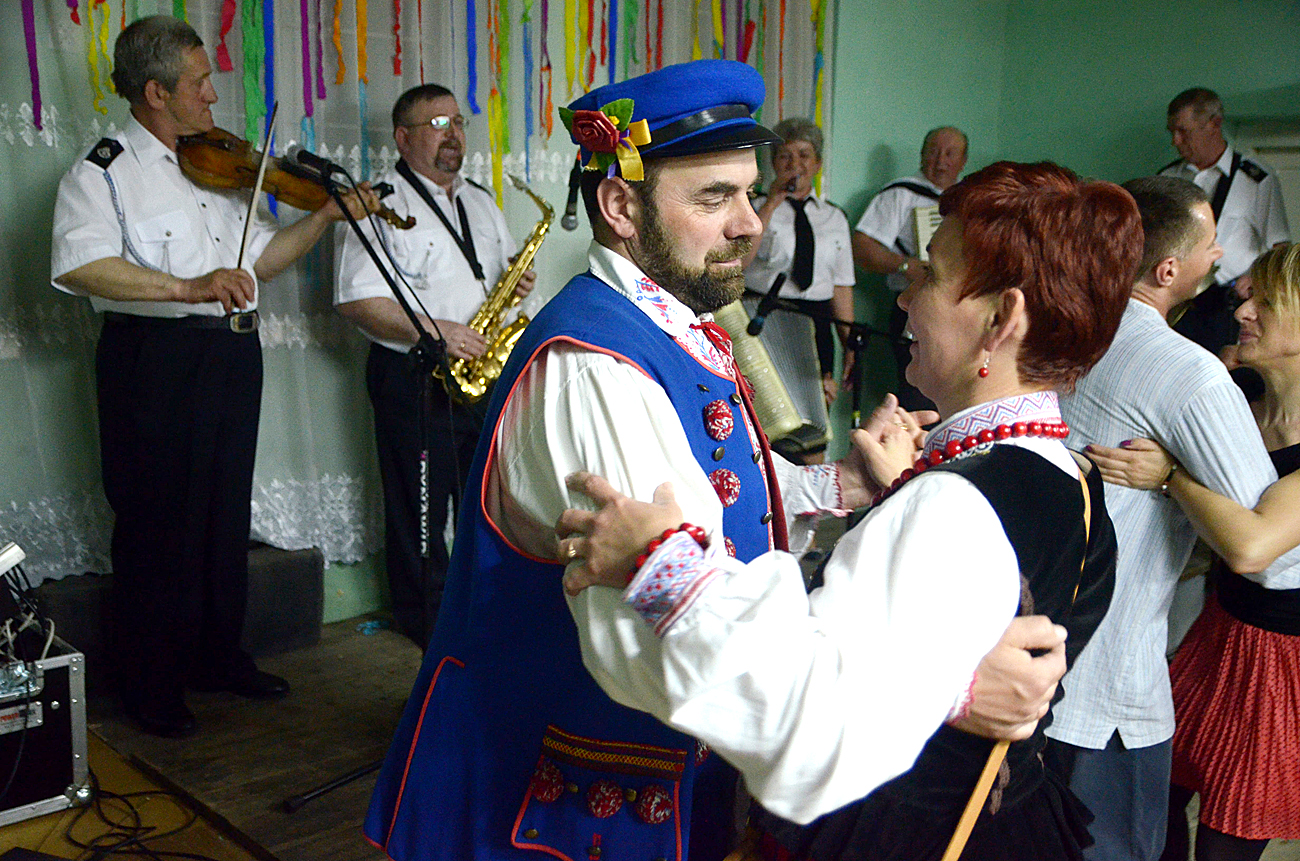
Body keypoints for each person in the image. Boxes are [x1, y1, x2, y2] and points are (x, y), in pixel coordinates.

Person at [363, 62, 1068, 861]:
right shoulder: (596, 369)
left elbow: (712, 493)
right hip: (554, 803)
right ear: (620, 207)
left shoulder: (661, 323)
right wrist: (934, 683)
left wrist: (839, 483)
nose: (750, 224)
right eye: (714, 198)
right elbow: (665, 646)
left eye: (750, 192)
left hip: (646, 786)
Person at [556, 160, 1137, 861]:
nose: (904, 297)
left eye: (928, 275)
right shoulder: (1071, 476)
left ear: (1000, 319)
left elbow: (807, 727)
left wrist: (660, 562)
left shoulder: (953, 503)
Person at [49, 16, 377, 738]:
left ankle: (217, 656)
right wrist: (186, 287)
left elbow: (258, 262)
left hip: (232, 355)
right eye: (199, 83)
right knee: (156, 524)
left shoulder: (215, 165)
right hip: (155, 361)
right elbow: (81, 264)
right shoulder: (102, 172)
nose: (212, 95)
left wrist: (324, 217)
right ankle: (151, 684)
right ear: (156, 92)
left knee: (222, 517)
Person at [1050, 177, 1300, 861]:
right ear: (1167, 269)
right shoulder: (1212, 384)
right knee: (1144, 831)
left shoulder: (1088, 333)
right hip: (1199, 642)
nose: (1240, 304)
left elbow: (1260, 552)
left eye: (1264, 299)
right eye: (1246, 292)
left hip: (1272, 654)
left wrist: (1171, 478)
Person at [334, 83, 535, 649]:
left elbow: (492, 280)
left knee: (486, 499)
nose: (454, 134)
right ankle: (426, 622)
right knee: (418, 510)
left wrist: (517, 285)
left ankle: (481, 606)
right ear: (403, 138)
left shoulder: (480, 200)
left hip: (481, 375)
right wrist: (437, 331)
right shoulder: (378, 203)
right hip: (414, 375)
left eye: (459, 122)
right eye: (438, 123)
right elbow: (355, 300)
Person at [742, 117, 855, 462]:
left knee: (812, 425)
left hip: (816, 321)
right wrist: (771, 204)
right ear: (773, 164)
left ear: (817, 164)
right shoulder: (753, 209)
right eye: (785, 156)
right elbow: (740, 261)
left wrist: (850, 344)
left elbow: (841, 285)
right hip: (764, 317)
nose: (795, 164)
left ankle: (808, 491)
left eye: (804, 155)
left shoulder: (834, 217)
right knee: (763, 422)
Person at [1161, 87, 1291, 356]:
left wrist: (1254, 278)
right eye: (1172, 132)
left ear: (1214, 124)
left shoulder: (1255, 179)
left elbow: (1280, 248)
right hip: (1177, 302)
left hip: (1227, 306)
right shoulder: (1168, 178)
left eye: (1183, 131)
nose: (1175, 141)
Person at [852, 126, 968, 411]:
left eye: (950, 154)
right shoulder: (900, 194)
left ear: (963, 161)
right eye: (934, 152)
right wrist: (905, 265)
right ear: (922, 155)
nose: (941, 161)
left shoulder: (971, 198)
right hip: (913, 306)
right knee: (919, 393)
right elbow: (861, 247)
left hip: (961, 312)